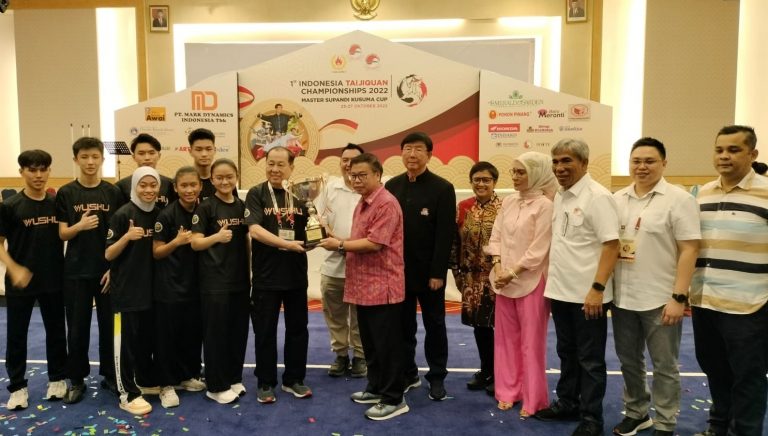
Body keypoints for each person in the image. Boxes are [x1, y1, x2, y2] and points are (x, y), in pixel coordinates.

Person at [611, 138, 701, 436]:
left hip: (661, 298)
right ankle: (637, 412)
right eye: (636, 161)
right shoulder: (617, 198)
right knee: (629, 361)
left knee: (665, 365)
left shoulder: (679, 200)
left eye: (649, 161)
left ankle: (664, 421)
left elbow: (689, 249)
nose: (642, 167)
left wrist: (679, 297)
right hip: (623, 296)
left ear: (664, 163)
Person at [535, 138, 619, 436]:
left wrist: (597, 288)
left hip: (588, 295)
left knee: (590, 359)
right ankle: (568, 403)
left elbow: (611, 246)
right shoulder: (561, 195)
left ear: (583, 163)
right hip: (560, 291)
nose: (559, 167)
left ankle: (592, 419)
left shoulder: (598, 197)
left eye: (566, 161)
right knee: (566, 352)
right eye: (556, 161)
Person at [318, 152, 408, 420]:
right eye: (352, 175)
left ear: (377, 175)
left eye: (362, 175)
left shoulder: (386, 203)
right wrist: (334, 238)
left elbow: (374, 243)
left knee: (386, 346)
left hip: (383, 287)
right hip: (363, 286)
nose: (356, 180)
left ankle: (394, 398)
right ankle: (376, 388)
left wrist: (339, 244)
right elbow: (358, 239)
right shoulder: (364, 202)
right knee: (371, 344)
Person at [691, 125, 768, 436]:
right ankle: (718, 426)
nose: (724, 156)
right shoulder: (702, 193)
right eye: (719, 150)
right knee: (715, 370)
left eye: (734, 150)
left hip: (750, 306)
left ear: (753, 154)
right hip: (705, 301)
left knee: (748, 377)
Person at [384, 132, 456, 401]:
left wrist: (438, 273)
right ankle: (408, 373)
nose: (412, 154)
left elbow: (445, 235)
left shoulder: (442, 188)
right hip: (398, 272)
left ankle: (437, 377)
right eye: (407, 149)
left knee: (435, 325)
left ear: (429, 155)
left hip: (429, 275)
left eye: (418, 149)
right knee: (403, 327)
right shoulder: (391, 186)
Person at [487, 151, 555, 417]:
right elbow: (496, 237)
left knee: (531, 342)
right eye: (513, 171)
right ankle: (507, 391)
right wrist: (498, 267)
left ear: (536, 173)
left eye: (521, 172)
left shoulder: (545, 205)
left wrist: (512, 272)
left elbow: (539, 249)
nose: (514, 177)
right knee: (505, 340)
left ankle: (533, 399)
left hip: (532, 281)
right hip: (503, 280)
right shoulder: (509, 201)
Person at [56, 137, 122, 404]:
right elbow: (62, 233)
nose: (90, 162)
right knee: (77, 328)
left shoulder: (113, 192)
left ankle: (111, 375)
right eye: (84, 157)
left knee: (109, 326)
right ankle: (76, 379)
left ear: (102, 159)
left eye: (95, 156)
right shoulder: (66, 193)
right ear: (76, 160)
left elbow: (120, 235)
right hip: (76, 271)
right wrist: (79, 226)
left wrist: (114, 268)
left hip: (106, 272)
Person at [1, 150, 67, 411]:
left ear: (49, 170)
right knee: (16, 335)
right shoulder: (10, 206)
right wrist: (14, 268)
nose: (38, 175)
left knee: (56, 331)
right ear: (22, 172)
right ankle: (17, 387)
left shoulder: (57, 203)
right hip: (20, 283)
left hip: (53, 279)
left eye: (43, 169)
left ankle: (57, 379)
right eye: (32, 170)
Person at [245, 146, 312, 404]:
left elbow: (310, 233)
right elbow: (255, 230)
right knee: (265, 331)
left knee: (298, 329)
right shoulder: (257, 193)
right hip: (266, 276)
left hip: (295, 275)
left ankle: (294, 379)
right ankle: (265, 382)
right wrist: (286, 244)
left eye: (281, 164)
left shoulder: (301, 195)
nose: (274, 169)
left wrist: (320, 232)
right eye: (270, 163)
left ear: (291, 167)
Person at [190, 158, 250, 405]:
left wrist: (249, 272)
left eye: (229, 177)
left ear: (236, 178)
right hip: (214, 281)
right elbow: (195, 243)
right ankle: (215, 386)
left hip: (239, 281)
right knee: (216, 334)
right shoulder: (205, 207)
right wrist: (216, 237)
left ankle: (233, 378)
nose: (225, 182)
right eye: (219, 177)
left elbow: (246, 242)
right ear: (212, 180)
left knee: (238, 332)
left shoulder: (242, 206)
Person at [105, 167, 161, 415]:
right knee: (125, 345)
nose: (148, 190)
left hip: (150, 292)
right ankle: (126, 393)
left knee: (144, 342)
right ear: (134, 187)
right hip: (126, 293)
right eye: (143, 185)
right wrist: (126, 237)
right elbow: (108, 254)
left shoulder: (159, 214)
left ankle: (143, 381)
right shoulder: (123, 214)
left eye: (153, 185)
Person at [152, 166, 207, 409]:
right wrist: (176, 241)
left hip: (196, 286)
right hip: (169, 287)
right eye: (183, 185)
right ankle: (166, 385)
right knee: (167, 338)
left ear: (200, 186)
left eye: (193, 185)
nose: (189, 190)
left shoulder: (204, 210)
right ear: (175, 188)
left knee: (192, 334)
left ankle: (187, 375)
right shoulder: (166, 215)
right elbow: (156, 252)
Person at [314, 143, 366, 378]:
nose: (348, 164)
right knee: (334, 314)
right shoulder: (329, 188)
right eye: (345, 160)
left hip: (363, 266)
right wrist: (332, 239)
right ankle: (341, 354)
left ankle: (361, 356)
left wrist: (346, 244)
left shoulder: (371, 190)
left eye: (354, 160)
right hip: (333, 265)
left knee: (360, 316)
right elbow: (316, 219)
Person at [449, 161, 501, 395]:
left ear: (494, 182)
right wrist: (456, 273)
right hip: (471, 278)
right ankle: (486, 370)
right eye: (477, 180)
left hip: (498, 277)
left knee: (501, 327)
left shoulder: (505, 207)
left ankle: (502, 373)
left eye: (486, 180)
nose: (481, 184)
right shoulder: (463, 207)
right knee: (480, 327)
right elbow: (454, 243)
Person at [115, 133, 177, 208]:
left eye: (151, 153)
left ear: (159, 155)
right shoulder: (121, 186)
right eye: (141, 153)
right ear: (134, 157)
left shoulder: (170, 185)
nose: (147, 158)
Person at [187, 128, 218, 201]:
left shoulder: (223, 182)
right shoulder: (182, 181)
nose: (204, 154)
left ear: (214, 150)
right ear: (190, 151)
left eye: (208, 149)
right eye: (199, 150)